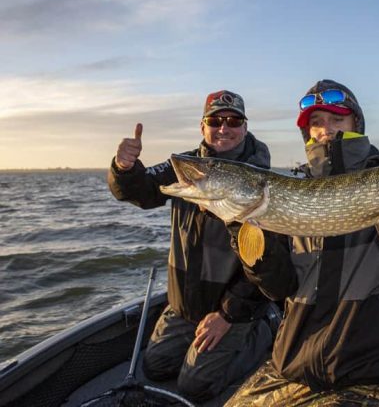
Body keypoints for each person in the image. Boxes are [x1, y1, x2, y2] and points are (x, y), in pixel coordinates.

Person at [225, 80, 379, 406]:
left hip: (373, 374)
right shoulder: (287, 196)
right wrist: (239, 228)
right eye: (316, 123)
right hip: (295, 367)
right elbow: (278, 288)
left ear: (355, 124)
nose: (325, 130)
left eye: (337, 119)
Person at [108, 90, 279, 403]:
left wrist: (228, 315)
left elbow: (270, 265)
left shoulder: (262, 183)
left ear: (244, 127)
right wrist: (124, 167)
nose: (223, 127)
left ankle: (266, 326)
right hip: (187, 303)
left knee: (194, 386)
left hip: (236, 306)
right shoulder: (187, 168)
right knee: (155, 366)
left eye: (233, 120)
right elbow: (142, 191)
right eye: (215, 120)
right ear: (203, 127)